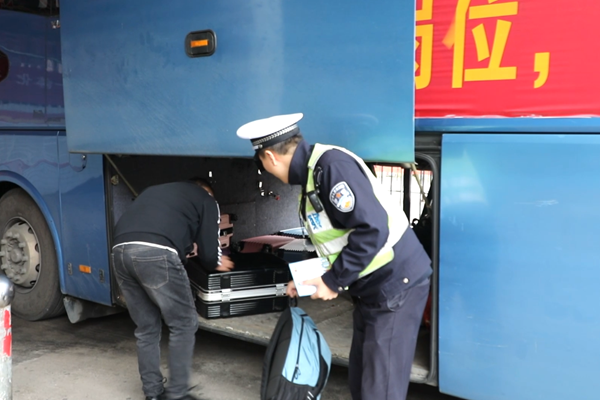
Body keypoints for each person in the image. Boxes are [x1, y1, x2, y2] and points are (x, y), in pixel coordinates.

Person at [236, 113, 432, 400]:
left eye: (260, 164)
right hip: (370, 288)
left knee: (380, 389)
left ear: (270, 156)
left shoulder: (330, 168)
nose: (266, 171)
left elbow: (372, 229)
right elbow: (336, 241)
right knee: (361, 379)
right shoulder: (312, 175)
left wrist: (332, 281)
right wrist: (306, 279)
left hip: (395, 285)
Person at [112, 179, 234, 400]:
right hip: (155, 253)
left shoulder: (155, 192)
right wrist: (218, 262)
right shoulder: (206, 200)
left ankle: (153, 393)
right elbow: (209, 253)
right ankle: (178, 394)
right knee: (184, 323)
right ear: (207, 192)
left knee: (146, 328)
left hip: (120, 251)